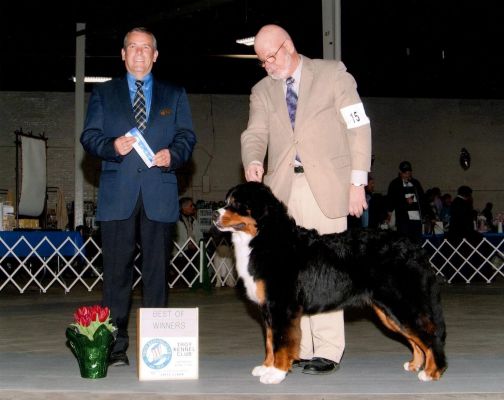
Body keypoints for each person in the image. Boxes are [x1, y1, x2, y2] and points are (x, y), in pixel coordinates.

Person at [241, 24, 371, 375]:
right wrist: (253, 160)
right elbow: (254, 134)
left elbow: (357, 126)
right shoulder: (261, 91)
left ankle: (328, 350)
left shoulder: (333, 74)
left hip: (328, 185)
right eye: (261, 61)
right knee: (289, 276)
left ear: (289, 46)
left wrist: (357, 182)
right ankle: (298, 347)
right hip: (282, 191)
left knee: (326, 270)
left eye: (270, 58)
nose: (267, 66)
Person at [80, 27, 196, 367]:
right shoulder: (103, 93)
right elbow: (89, 136)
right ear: (123, 54)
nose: (140, 53)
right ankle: (114, 348)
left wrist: (173, 155)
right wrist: (111, 147)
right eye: (133, 47)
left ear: (156, 55)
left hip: (159, 194)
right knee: (116, 275)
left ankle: (156, 350)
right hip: (118, 195)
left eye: (146, 48)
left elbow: (187, 136)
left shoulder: (175, 94)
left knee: (157, 275)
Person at [386, 161, 426, 241]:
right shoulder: (394, 184)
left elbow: (423, 199)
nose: (407, 175)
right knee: (404, 240)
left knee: (417, 240)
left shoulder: (415, 183)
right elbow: (391, 201)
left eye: (408, 173)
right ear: (400, 172)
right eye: (405, 173)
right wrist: (404, 201)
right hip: (403, 219)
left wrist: (428, 214)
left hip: (416, 218)